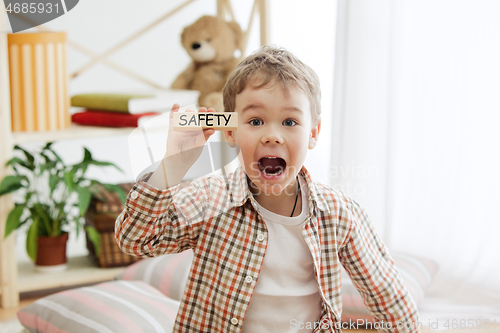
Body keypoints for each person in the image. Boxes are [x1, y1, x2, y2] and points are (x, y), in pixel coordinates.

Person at [115, 45, 420, 333]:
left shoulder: (340, 214)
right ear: (231, 131)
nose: (272, 135)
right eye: (256, 120)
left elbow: (391, 302)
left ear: (313, 133)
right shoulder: (209, 198)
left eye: (289, 121)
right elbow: (135, 240)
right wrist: (173, 166)